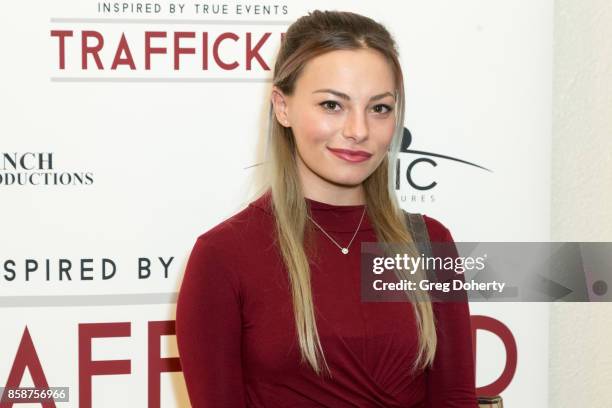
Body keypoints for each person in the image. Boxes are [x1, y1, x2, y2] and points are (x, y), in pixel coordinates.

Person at [176, 9, 477, 407]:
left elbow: (454, 398)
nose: (358, 130)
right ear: (283, 107)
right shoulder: (223, 256)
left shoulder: (430, 243)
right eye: (333, 105)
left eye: (380, 108)